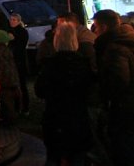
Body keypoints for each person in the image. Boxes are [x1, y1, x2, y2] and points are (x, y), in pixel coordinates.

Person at [34, 23, 93, 166]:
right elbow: (90, 91)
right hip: (78, 118)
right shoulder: (83, 64)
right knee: (77, 156)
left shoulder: (50, 65)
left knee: (54, 156)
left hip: (55, 119)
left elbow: (39, 90)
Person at [93, 9, 134, 166]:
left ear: (103, 27)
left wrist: (106, 96)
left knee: (124, 147)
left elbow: (118, 81)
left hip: (125, 108)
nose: (95, 31)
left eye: (96, 27)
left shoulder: (114, 48)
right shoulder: (128, 39)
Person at [0, 29, 19, 125]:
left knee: (6, 99)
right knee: (13, 97)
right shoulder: (7, 49)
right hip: (13, 76)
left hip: (3, 78)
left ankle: (9, 120)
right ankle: (14, 114)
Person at [8, 13, 30, 115]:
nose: (11, 21)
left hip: (19, 61)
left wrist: (14, 39)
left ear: (18, 21)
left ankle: (25, 107)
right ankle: (17, 107)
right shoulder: (10, 31)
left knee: (22, 85)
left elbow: (21, 45)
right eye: (11, 19)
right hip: (13, 61)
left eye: (14, 20)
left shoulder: (22, 32)